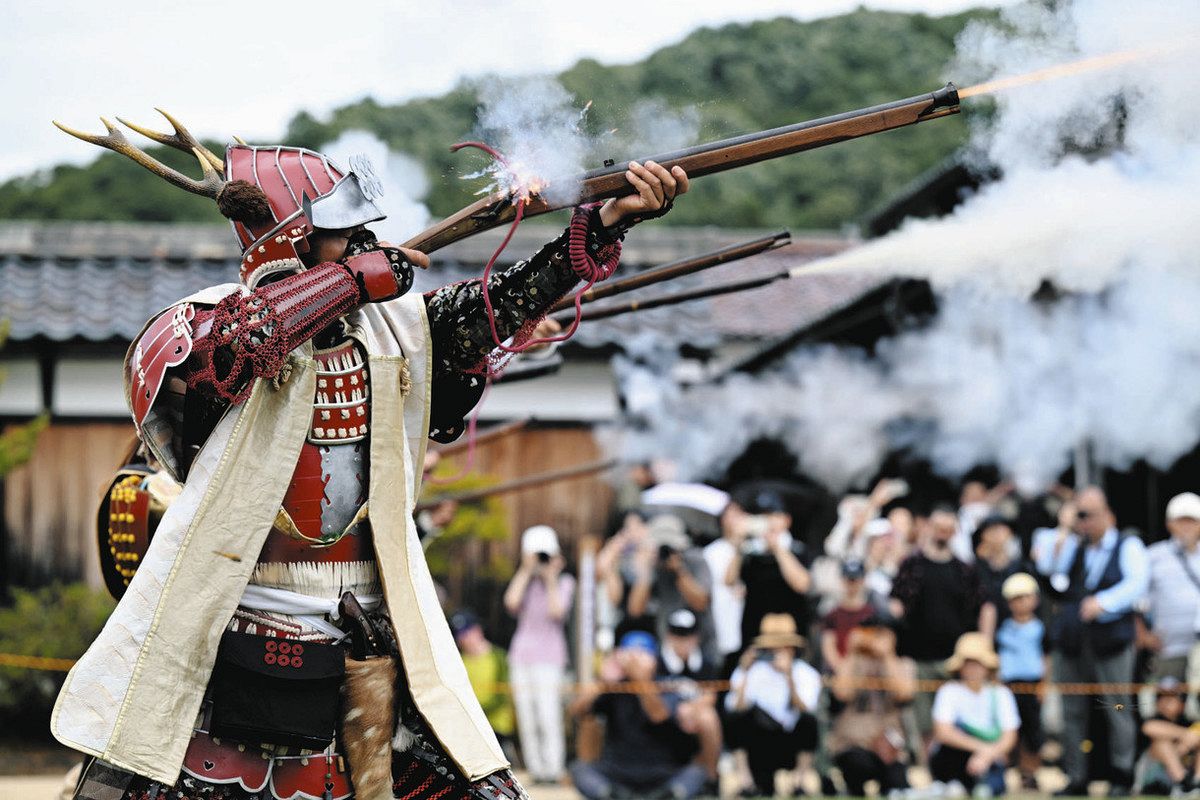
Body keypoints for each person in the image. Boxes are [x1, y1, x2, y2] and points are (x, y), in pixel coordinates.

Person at [52, 115, 689, 800]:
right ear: (291, 236)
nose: (362, 238)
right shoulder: (199, 323)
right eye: (340, 227)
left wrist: (602, 226)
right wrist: (353, 281)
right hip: (230, 620)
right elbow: (241, 346)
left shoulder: (395, 326)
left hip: (374, 620)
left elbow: (498, 308)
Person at [1049, 486, 1148, 796]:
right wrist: (1065, 531)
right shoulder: (1076, 546)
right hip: (1074, 642)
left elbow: (1137, 584)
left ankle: (1122, 776)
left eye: (1088, 515)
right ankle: (1077, 777)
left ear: (1107, 514)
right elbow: (1053, 576)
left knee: (1117, 707)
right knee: (1072, 712)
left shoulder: (1127, 545)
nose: (1084, 521)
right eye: (1080, 515)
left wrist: (1103, 602)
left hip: (1112, 640)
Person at [570, 631, 708, 800]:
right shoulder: (613, 687)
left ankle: (665, 797)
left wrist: (641, 680)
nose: (635, 662)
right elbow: (577, 711)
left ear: (654, 659)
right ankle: (615, 796)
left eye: (642, 656)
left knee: (696, 773)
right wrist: (602, 681)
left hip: (661, 772)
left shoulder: (667, 684)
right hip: (617, 772)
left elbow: (658, 715)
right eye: (631, 656)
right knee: (580, 770)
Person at [890, 506, 987, 744]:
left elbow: (980, 609)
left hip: (955, 660)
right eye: (938, 528)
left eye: (948, 529)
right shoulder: (912, 566)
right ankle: (927, 774)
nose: (943, 533)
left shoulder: (964, 570)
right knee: (923, 723)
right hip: (918, 658)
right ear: (929, 529)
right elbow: (896, 608)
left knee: (955, 721)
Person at [503, 525, 575, 786]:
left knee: (548, 715)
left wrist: (550, 576)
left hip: (550, 657)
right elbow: (511, 602)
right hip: (521, 656)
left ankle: (553, 769)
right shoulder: (525, 582)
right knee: (527, 716)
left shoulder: (564, 582)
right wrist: (526, 569)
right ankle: (536, 770)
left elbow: (557, 611)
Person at [725, 614, 822, 797]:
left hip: (788, 739)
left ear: (791, 648)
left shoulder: (805, 673)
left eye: (782, 646)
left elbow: (805, 709)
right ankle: (747, 784)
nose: (776, 650)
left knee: (809, 722)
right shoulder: (751, 671)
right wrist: (744, 672)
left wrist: (789, 677)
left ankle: (798, 783)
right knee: (736, 720)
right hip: (759, 740)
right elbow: (735, 708)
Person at [827, 614, 915, 797]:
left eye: (880, 634)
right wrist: (852, 651)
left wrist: (887, 655)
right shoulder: (853, 662)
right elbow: (841, 693)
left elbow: (904, 693)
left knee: (898, 782)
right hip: (855, 744)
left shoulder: (903, 663)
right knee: (859, 764)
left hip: (888, 746)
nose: (875, 638)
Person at [725, 490, 814, 662]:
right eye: (763, 516)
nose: (768, 522)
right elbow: (729, 581)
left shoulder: (797, 550)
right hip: (755, 636)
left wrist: (777, 548)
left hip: (790, 636)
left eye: (773, 515)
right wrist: (737, 546)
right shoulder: (750, 553)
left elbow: (802, 584)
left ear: (786, 520)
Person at [929, 633, 1020, 796]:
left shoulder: (1001, 693)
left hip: (990, 759)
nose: (972, 668)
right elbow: (943, 732)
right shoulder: (949, 691)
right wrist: (981, 749)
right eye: (968, 663)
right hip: (955, 758)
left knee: (991, 788)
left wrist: (988, 755)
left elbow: (1009, 737)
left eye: (977, 663)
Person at [627, 514, 714, 658]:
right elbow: (635, 610)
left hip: (702, 647)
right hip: (667, 648)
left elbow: (701, 602)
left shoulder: (695, 560)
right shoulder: (654, 565)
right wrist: (646, 572)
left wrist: (679, 570)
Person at [657, 609, 723, 784]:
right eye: (679, 635)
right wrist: (677, 710)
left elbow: (711, 695)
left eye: (688, 635)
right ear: (669, 636)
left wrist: (690, 709)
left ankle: (711, 778)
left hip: (695, 720)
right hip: (665, 719)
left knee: (708, 718)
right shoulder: (657, 662)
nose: (684, 641)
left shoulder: (706, 664)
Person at [995, 572, 1046, 790]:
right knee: (1007, 730)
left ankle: (1030, 774)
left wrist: (1044, 684)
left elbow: (1047, 657)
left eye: (1024, 597)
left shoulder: (1039, 628)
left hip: (1032, 684)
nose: (1020, 603)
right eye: (1015, 598)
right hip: (1007, 686)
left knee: (1032, 732)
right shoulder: (1004, 628)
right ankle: (1004, 773)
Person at [1144, 494, 1200, 689]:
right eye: (1180, 521)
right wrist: (1142, 634)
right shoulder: (1153, 556)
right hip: (1168, 650)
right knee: (1168, 707)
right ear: (1169, 524)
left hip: (1199, 649)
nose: (1186, 527)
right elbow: (1135, 600)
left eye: (1192, 521)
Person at [450, 611, 518, 765]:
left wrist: (476, 712)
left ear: (478, 630)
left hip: (496, 726)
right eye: (460, 636)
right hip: (469, 726)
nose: (463, 640)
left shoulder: (499, 657)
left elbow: (501, 696)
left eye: (466, 633)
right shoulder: (458, 661)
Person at [702, 501, 748, 676]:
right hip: (721, 626)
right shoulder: (712, 552)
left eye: (741, 514)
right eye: (732, 514)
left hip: (745, 625)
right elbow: (728, 581)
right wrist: (738, 547)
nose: (738, 520)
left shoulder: (754, 547)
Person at [1139, 677, 1200, 796]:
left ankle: (1197, 782)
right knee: (1161, 743)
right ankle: (1183, 783)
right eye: (1162, 698)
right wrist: (1185, 735)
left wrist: (1187, 743)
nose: (1165, 702)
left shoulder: (1187, 721)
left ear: (1182, 702)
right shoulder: (1154, 718)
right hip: (1154, 778)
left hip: (1188, 771)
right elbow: (1148, 727)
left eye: (1171, 698)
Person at [821, 560, 877, 675]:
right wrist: (842, 671)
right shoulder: (832, 615)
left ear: (862, 581)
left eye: (855, 579)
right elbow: (828, 647)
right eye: (848, 579)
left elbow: (876, 647)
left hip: (867, 673)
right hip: (840, 672)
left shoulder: (872, 614)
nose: (851, 584)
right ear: (842, 580)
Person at [974, 517, 1027, 636]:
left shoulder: (1021, 567)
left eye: (1000, 529)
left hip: (1016, 629)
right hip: (982, 630)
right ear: (983, 536)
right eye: (991, 530)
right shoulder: (975, 568)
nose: (996, 534)